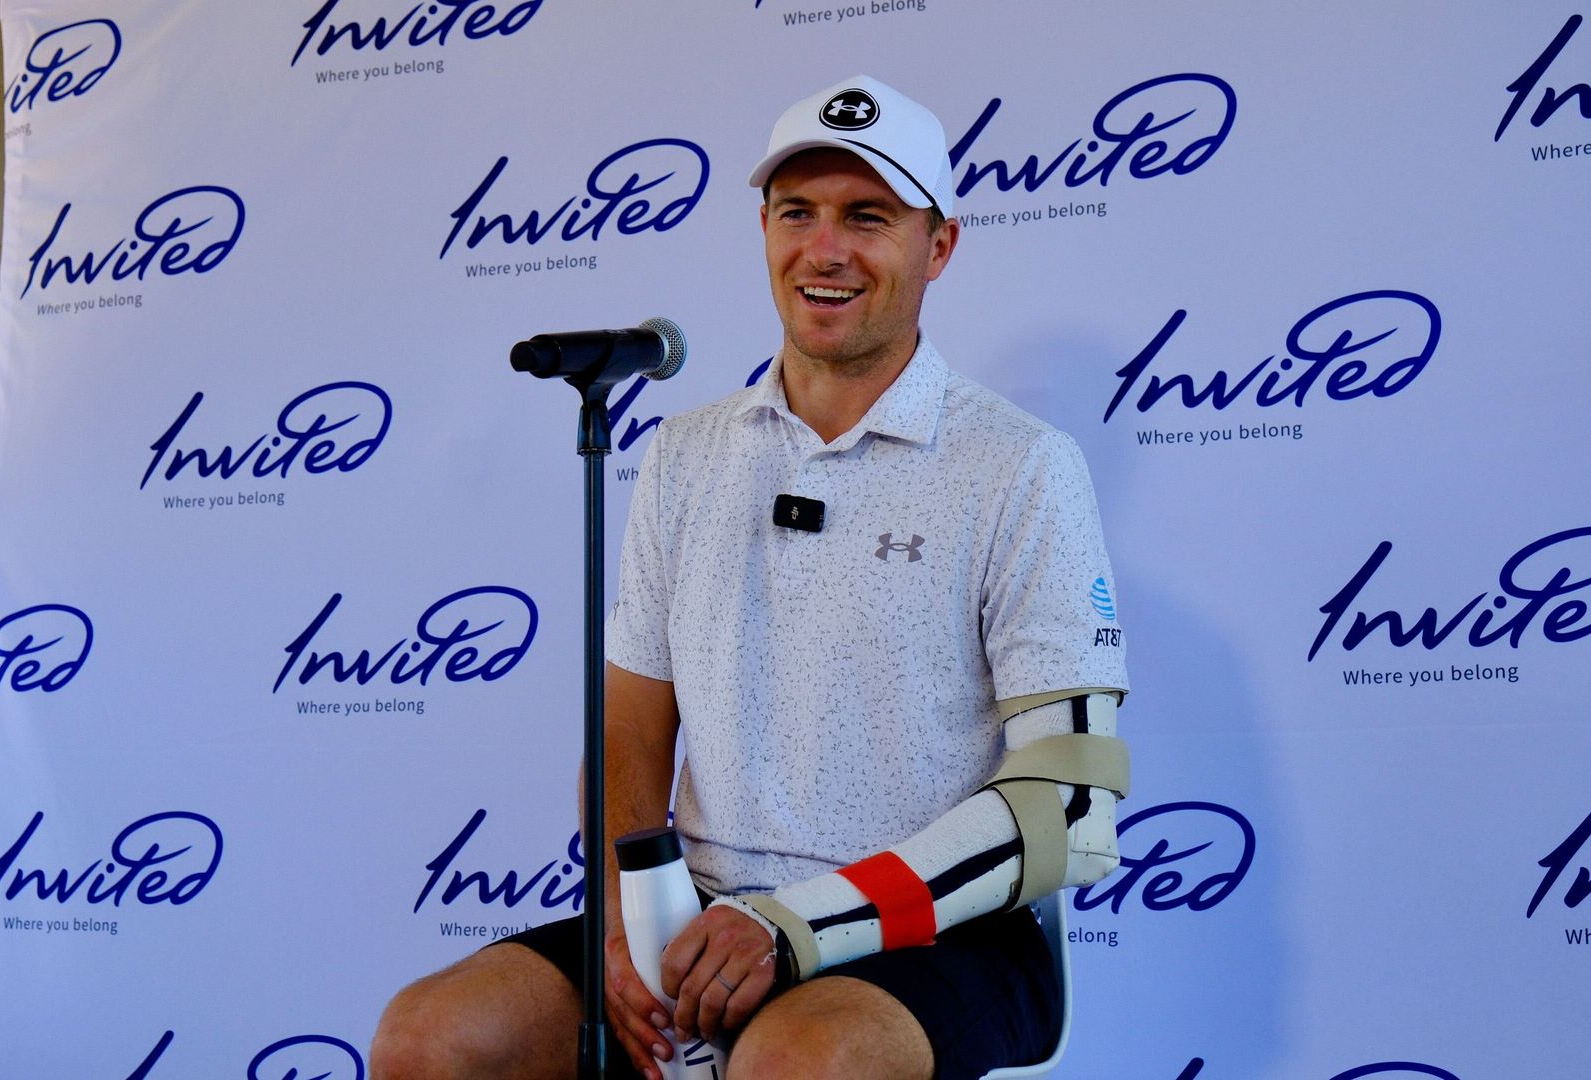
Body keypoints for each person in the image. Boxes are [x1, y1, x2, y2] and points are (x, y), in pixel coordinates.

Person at [370, 74, 1132, 1080]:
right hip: (705, 917)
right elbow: (630, 726)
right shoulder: (685, 453)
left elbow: (1066, 809)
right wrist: (629, 923)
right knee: (429, 1040)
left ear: (939, 245)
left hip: (938, 932)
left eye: (868, 217)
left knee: (792, 1062)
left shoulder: (1023, 466)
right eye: (796, 212)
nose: (825, 249)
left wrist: (798, 928)